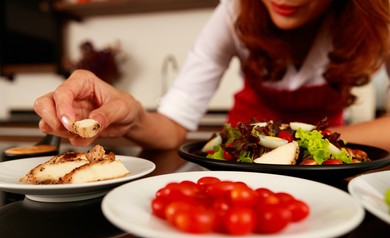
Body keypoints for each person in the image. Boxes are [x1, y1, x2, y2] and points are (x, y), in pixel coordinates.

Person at [33, 0, 390, 151]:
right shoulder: (234, 12)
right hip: (242, 160)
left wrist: (304, 143)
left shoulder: (376, 18)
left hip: (326, 158)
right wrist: (132, 113)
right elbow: (173, 125)